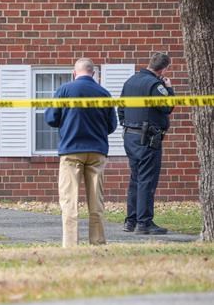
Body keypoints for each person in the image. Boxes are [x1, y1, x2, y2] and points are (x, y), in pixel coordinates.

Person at [45, 58, 118, 248]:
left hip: (71, 151)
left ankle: (71, 245)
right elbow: (112, 125)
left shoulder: (64, 90)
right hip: (97, 151)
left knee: (69, 200)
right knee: (96, 202)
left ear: (74, 73)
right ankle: (98, 242)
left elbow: (51, 119)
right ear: (93, 73)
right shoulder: (104, 93)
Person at [118, 52, 174, 235]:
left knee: (135, 178)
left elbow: (121, 108)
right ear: (163, 69)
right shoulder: (155, 84)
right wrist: (169, 89)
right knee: (146, 180)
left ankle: (131, 221)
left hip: (130, 137)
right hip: (147, 139)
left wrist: (128, 126)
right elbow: (167, 107)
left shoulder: (130, 81)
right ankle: (144, 223)